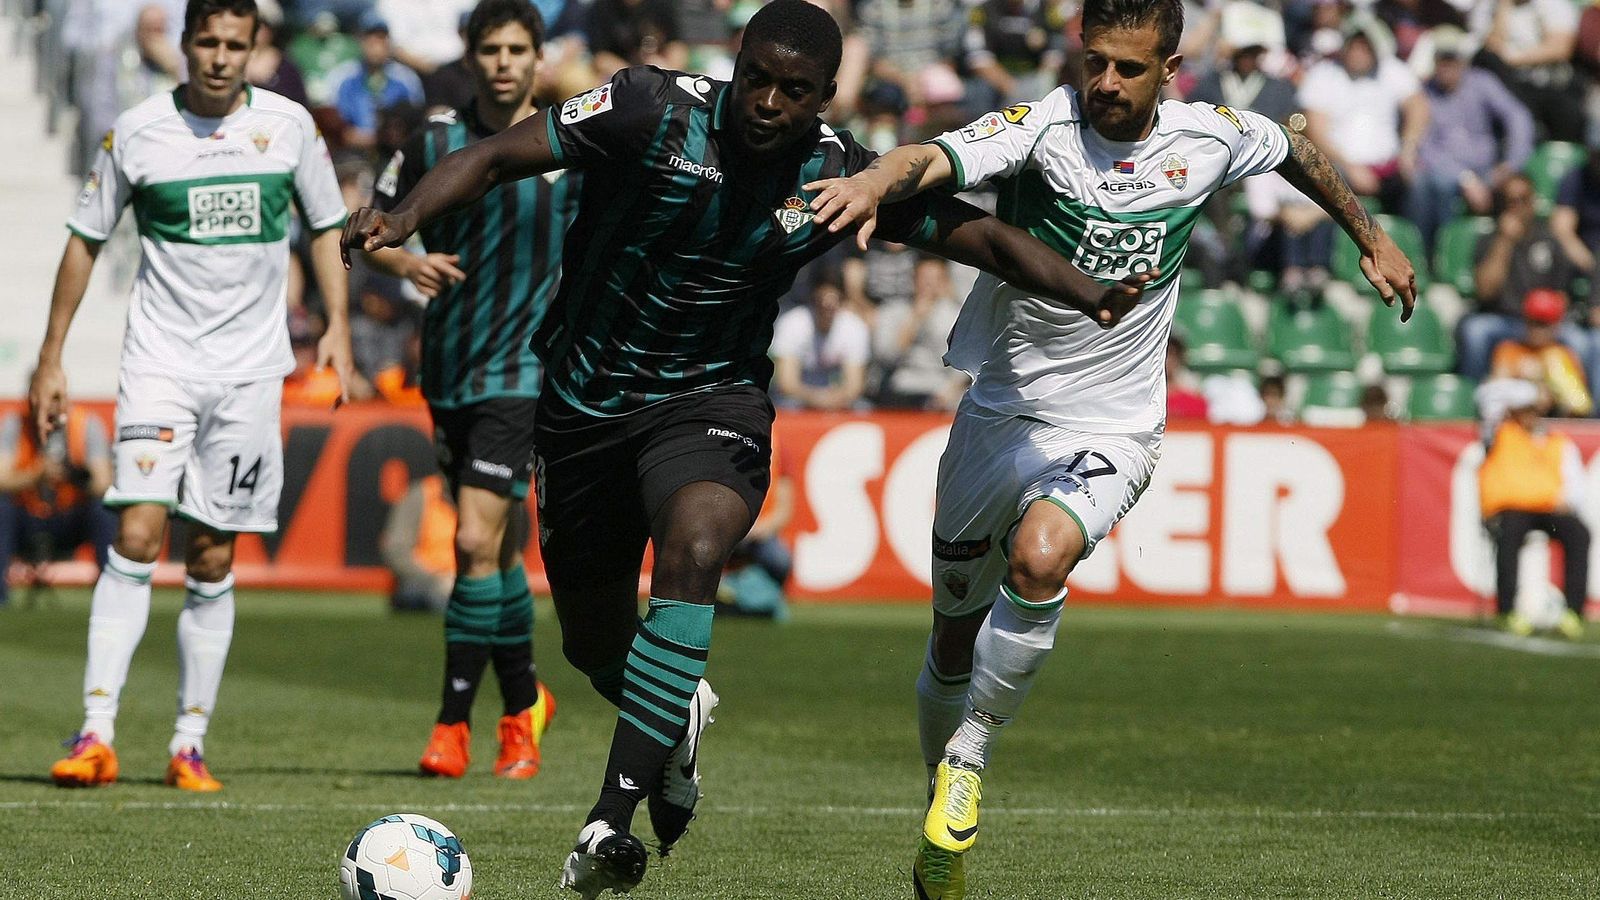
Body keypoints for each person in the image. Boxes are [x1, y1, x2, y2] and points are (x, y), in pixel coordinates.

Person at [342, 2, 1153, 893]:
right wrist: (402, 214)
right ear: (736, 63)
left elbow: (979, 234)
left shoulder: (837, 175)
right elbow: (496, 155)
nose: (769, 102)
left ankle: (608, 822)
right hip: (581, 410)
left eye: (794, 90)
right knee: (593, 644)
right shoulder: (647, 108)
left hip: (711, 404)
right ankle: (675, 720)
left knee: (695, 550)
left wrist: (1090, 291)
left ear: (825, 97)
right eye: (757, 78)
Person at [804, 0, 1418, 894]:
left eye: (1129, 68)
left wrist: (1374, 236)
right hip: (1000, 413)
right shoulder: (1041, 128)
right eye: (1095, 61)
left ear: (1170, 70)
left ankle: (970, 756)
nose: (1106, 82)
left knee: (1041, 556)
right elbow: (932, 158)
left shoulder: (1206, 137)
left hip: (1115, 425)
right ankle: (940, 796)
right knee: (950, 640)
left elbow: (1293, 148)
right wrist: (874, 181)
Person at [36, 0, 353, 792]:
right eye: (206, 42)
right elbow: (84, 241)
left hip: (249, 375)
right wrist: (51, 357)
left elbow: (326, 226)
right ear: (183, 46)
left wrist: (337, 327)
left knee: (212, 552)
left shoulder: (289, 128)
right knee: (139, 532)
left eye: (234, 45)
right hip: (160, 365)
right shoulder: (138, 132)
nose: (219, 57)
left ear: (254, 49)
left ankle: (189, 743)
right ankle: (96, 731)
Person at [363, 0, 569, 782]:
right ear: (471, 56)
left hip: (524, 371)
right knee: (499, 553)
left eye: (518, 49)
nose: (504, 63)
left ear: (538, 58)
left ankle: (452, 724)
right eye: (491, 50)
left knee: (474, 542)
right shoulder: (434, 142)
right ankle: (524, 707)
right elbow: (371, 231)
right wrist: (404, 260)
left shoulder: (572, 144)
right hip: (449, 366)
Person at [1476, 377, 1588, 638]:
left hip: (1548, 510)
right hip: (1511, 509)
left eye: (1534, 411)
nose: (1530, 416)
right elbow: (1487, 395)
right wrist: (1532, 392)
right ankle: (1507, 610)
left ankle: (1573, 612)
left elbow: (1574, 483)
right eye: (1525, 410)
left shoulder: (1556, 441)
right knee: (1509, 534)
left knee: (1579, 533)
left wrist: (1567, 501)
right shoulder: (1500, 433)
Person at [1406, 25, 1534, 253]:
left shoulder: (1482, 82)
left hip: (1488, 171)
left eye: (1452, 59)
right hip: (1447, 173)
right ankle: (1438, 255)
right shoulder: (1425, 93)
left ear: (1463, 61)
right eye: (1442, 60)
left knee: (1517, 187)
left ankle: (1516, 255)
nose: (1446, 66)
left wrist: (1511, 164)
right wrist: (1465, 179)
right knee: (1430, 184)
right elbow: (1426, 148)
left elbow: (1518, 117)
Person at [0, 404, 115, 607]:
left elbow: (103, 482)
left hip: (69, 518)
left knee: (103, 509)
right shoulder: (15, 424)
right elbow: (2, 479)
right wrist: (36, 475)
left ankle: (112, 595)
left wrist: (71, 474)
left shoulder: (85, 424)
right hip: (26, 517)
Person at [770, 268, 872, 410]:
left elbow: (854, 386)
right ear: (813, 299)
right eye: (822, 301)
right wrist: (817, 399)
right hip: (797, 400)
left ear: (842, 300)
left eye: (833, 301)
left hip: (838, 400)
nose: (827, 308)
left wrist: (832, 399)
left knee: (863, 408)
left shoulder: (854, 327)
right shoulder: (792, 324)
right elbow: (787, 383)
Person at [328, 10, 425, 150]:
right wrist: (346, 134)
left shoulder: (406, 78)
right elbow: (332, 118)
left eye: (381, 38)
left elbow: (416, 118)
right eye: (370, 39)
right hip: (351, 151)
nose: (375, 46)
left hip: (395, 148)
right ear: (360, 41)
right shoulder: (342, 76)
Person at [1489, 289, 1594, 417]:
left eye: (1544, 324)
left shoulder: (1562, 355)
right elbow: (1495, 392)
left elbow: (1580, 406)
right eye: (1533, 322)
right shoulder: (1508, 349)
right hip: (1515, 422)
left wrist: (1551, 389)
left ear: (1555, 326)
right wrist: (1531, 390)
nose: (1537, 330)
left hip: (1553, 423)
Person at [380, 473, 460, 613]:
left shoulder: (486, 498)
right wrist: (436, 578)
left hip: (471, 582)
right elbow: (397, 551)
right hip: (425, 583)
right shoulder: (421, 495)